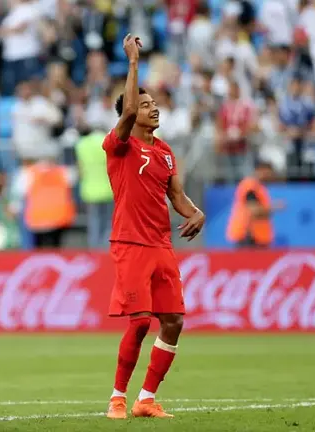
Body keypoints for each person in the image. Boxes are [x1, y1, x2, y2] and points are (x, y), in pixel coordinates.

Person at [104, 34, 205, 420]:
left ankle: (145, 398)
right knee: (140, 321)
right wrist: (133, 62)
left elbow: (176, 196)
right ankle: (117, 397)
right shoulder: (120, 145)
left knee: (173, 321)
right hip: (130, 242)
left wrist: (195, 213)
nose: (153, 108)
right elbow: (128, 111)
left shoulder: (164, 152)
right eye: (145, 105)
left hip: (161, 244)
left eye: (154, 103)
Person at [226, 158, 284, 248]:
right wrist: (274, 207)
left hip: (256, 238)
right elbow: (254, 210)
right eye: (269, 172)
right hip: (249, 237)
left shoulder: (259, 187)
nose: (271, 175)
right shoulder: (251, 186)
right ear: (260, 170)